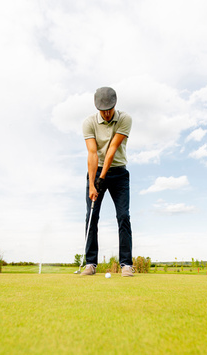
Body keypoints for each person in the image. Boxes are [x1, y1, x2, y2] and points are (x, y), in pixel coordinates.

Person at [80, 87, 134, 277]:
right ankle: (90, 263)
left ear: (115, 105)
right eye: (103, 110)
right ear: (98, 108)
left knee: (123, 216)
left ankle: (126, 264)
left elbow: (111, 149)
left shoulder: (125, 119)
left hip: (118, 172)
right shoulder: (89, 123)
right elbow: (93, 153)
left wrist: (103, 178)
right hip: (95, 171)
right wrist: (94, 183)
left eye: (110, 109)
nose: (107, 113)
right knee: (91, 217)